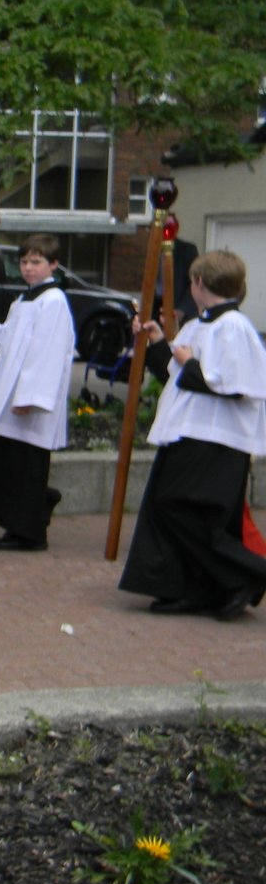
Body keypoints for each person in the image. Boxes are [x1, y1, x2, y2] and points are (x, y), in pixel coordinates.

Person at [119, 251, 266, 621]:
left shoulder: (233, 326)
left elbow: (235, 387)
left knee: (182, 507)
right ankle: (194, 589)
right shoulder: (199, 325)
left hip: (216, 438)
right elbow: (174, 376)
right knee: (172, 507)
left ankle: (243, 576)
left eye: (192, 281)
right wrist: (157, 343)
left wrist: (189, 362)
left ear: (200, 283)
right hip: (188, 431)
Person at [0, 233, 75, 550]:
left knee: (24, 464)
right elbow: (6, 341)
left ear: (53, 265)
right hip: (7, 394)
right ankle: (33, 508)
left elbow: (47, 353)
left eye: (36, 262)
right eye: (24, 261)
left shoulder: (53, 302)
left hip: (27, 400)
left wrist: (30, 398)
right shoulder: (24, 301)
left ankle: (28, 532)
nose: (28, 268)